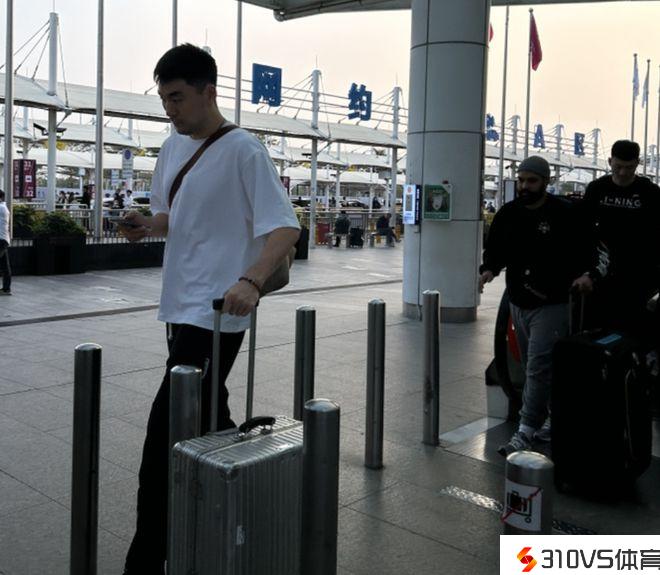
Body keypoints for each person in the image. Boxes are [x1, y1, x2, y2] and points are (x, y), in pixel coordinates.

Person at [118, 44, 300, 575]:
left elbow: (284, 227)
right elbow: (169, 218)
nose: (169, 109)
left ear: (208, 92)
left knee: (162, 436)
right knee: (208, 417)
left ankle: (146, 560)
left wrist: (251, 279)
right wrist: (144, 225)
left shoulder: (244, 150)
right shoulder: (172, 149)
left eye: (177, 98)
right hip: (179, 307)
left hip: (220, 313)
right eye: (163, 99)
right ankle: (244, 501)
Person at [479, 156, 596, 456]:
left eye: (531, 181)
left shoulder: (564, 213)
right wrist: (488, 269)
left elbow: (587, 248)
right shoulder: (509, 213)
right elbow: (496, 249)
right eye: (521, 180)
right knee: (536, 365)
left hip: (552, 303)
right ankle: (553, 416)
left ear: (546, 181)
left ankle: (526, 429)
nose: (524, 186)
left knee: (538, 366)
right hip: (519, 301)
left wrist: (587, 274)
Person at [582, 140, 660, 336]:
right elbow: (583, 230)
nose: (623, 172)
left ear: (637, 164)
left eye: (629, 167)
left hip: (638, 275)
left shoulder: (650, 192)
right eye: (618, 167)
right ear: (610, 162)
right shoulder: (597, 189)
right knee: (599, 331)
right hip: (602, 272)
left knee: (634, 332)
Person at [0, 190, 11, 295]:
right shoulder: (3, 207)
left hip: (1, 240)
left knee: (5, 266)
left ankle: (6, 289)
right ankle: (6, 289)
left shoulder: (1, 208)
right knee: (5, 266)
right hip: (3, 240)